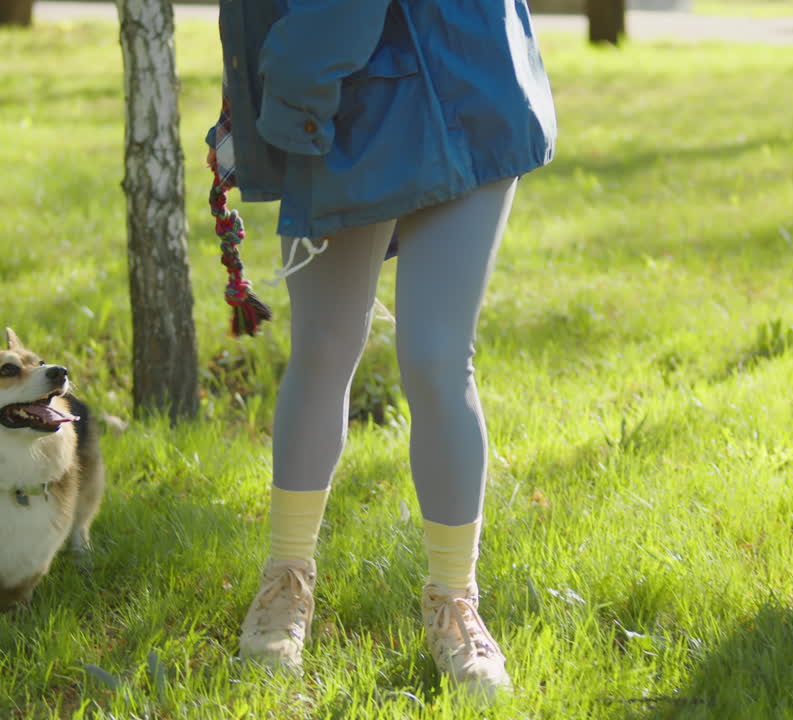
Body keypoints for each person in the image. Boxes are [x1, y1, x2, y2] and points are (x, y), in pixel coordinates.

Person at [206, 0, 557, 701]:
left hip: (456, 77)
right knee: (324, 347)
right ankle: (286, 579)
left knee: (436, 357)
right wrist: (252, 104)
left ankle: (454, 601)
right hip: (343, 101)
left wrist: (280, 107)